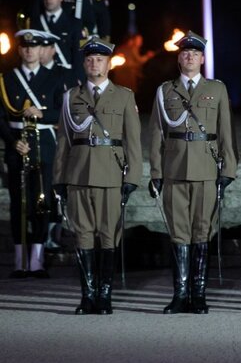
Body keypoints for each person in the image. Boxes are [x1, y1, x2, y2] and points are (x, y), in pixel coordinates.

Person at [148, 31, 238, 315]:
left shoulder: (217, 89)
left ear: (202, 58)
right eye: (184, 53)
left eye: (194, 53)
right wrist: (155, 173)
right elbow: (155, 135)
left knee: (202, 231)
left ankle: (198, 294)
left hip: (206, 167)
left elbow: (226, 132)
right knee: (178, 233)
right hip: (174, 169)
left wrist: (228, 169)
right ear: (179, 58)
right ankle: (180, 293)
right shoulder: (165, 91)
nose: (189, 56)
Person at [53, 36, 143, 315]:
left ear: (108, 63)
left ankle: (105, 296)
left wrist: (132, 178)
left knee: (107, 235)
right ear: (84, 63)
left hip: (111, 174)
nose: (95, 64)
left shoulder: (125, 96)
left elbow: (133, 142)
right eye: (90, 59)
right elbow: (64, 142)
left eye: (100, 59)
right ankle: (87, 295)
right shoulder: (71, 97)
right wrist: (59, 178)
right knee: (83, 235)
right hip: (79, 174)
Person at [0, 30, 64, 278]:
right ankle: (19, 261)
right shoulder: (7, 78)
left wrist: (42, 114)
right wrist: (12, 141)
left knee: (42, 201)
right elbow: (1, 117)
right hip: (17, 146)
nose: (29, 50)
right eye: (25, 47)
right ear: (19, 50)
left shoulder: (55, 76)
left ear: (41, 50)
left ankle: (36, 260)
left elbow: (62, 112)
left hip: (44, 145)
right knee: (18, 204)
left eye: (34, 46)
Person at [37, 30, 74, 251]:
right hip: (39, 137)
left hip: (58, 136)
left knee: (57, 187)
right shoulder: (29, 75)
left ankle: (54, 233)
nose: (39, 52)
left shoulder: (63, 75)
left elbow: (67, 109)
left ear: (52, 50)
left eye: (44, 47)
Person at [31, 0, 85, 83]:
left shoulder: (74, 23)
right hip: (42, 78)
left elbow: (79, 56)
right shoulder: (35, 24)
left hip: (66, 78)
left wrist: (80, 81)